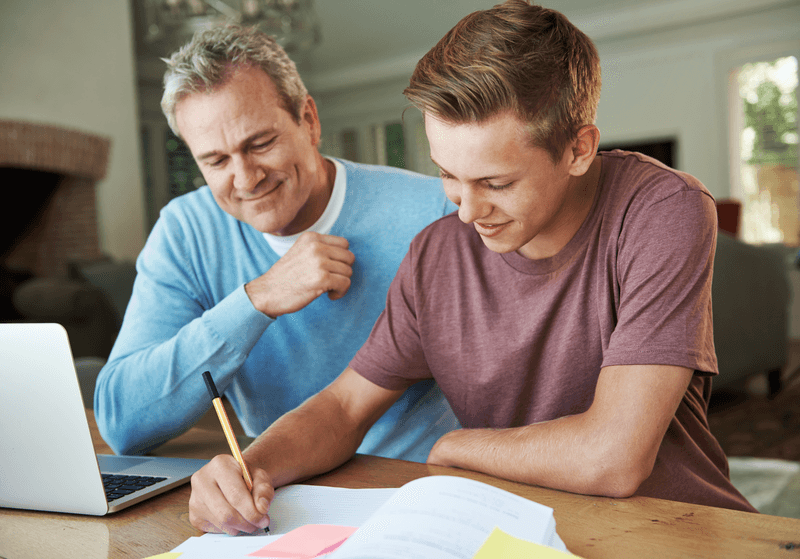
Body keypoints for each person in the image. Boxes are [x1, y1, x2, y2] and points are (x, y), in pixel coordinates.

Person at [187, 0, 756, 535]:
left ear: (579, 149)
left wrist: (457, 447)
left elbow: (614, 458)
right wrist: (250, 468)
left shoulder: (662, 209)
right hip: (516, 531)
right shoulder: (436, 253)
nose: (467, 210)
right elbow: (343, 407)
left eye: (496, 183)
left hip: (676, 530)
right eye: (448, 174)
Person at [93, 24, 461, 462]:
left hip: (415, 482)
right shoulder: (185, 232)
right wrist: (256, 300)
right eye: (216, 160)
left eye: (260, 143)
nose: (246, 178)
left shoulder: (435, 210)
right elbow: (122, 423)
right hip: (280, 483)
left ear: (308, 120)